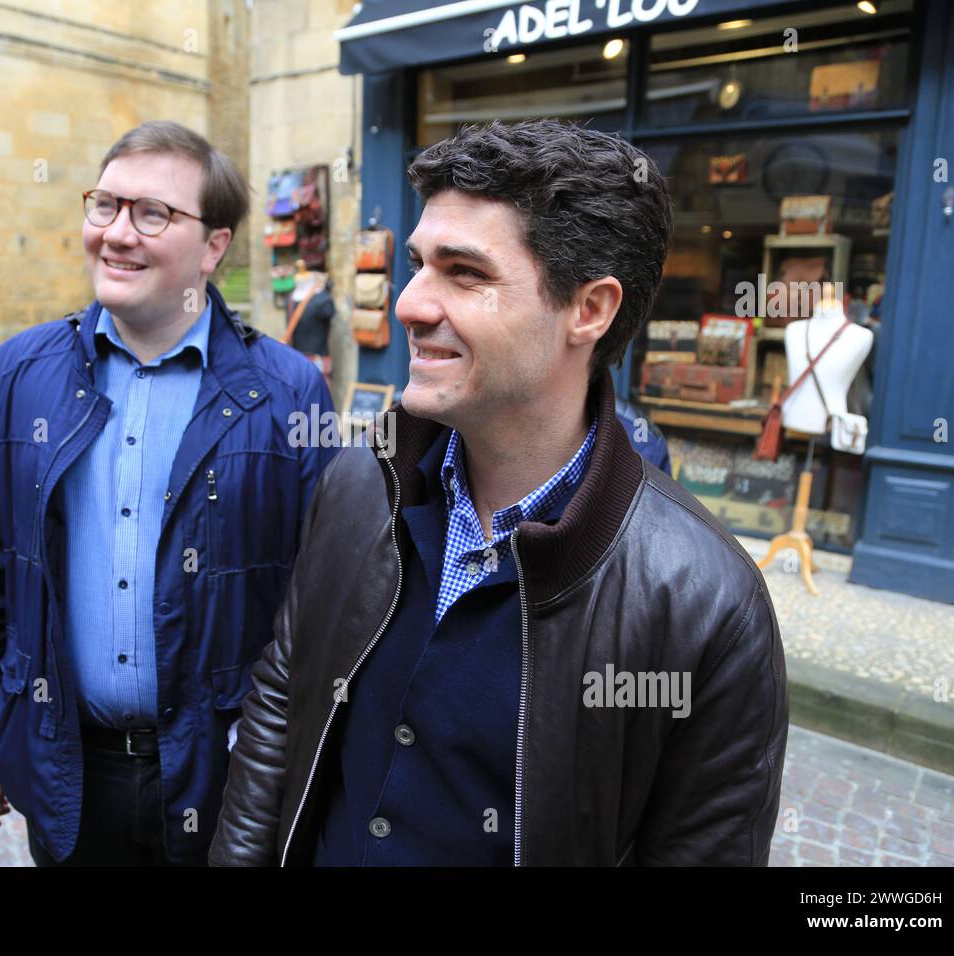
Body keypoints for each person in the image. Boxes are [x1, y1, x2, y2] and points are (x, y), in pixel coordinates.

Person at [209, 120, 788, 867]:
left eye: (465, 273)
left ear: (590, 309)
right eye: (419, 264)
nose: (411, 304)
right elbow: (286, 696)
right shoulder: (361, 480)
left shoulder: (704, 603)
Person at [0, 121, 337, 866]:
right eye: (105, 206)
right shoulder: (21, 374)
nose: (117, 233)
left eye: (151, 213)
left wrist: (288, 756)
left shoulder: (288, 391)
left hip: (222, 774)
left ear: (214, 247)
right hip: (65, 765)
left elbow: (320, 598)